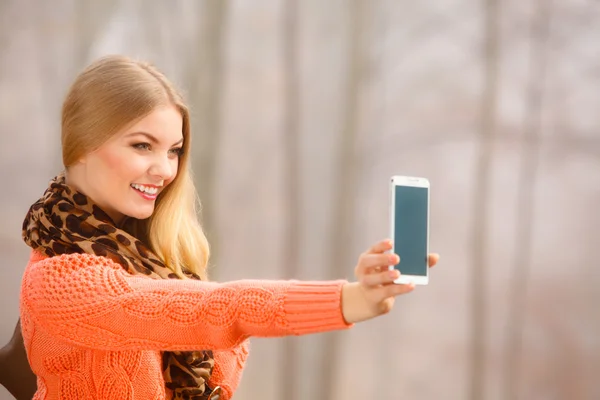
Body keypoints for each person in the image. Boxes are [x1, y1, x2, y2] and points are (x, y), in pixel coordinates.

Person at [17, 55, 439, 400]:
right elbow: (217, 310)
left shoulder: (158, 262)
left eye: (175, 151)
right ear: (83, 146)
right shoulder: (59, 281)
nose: (164, 170)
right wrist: (351, 298)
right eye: (142, 145)